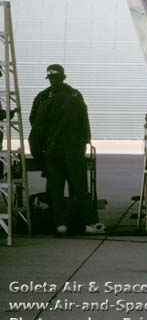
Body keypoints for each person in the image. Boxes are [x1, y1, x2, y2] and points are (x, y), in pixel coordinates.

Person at [29, 64, 105, 235]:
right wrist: (85, 141)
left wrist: (38, 152)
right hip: (74, 151)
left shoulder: (43, 98)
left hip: (53, 152)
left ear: (50, 78)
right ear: (64, 77)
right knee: (80, 188)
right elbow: (85, 122)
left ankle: (60, 224)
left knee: (55, 190)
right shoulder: (76, 96)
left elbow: (36, 126)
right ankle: (90, 223)